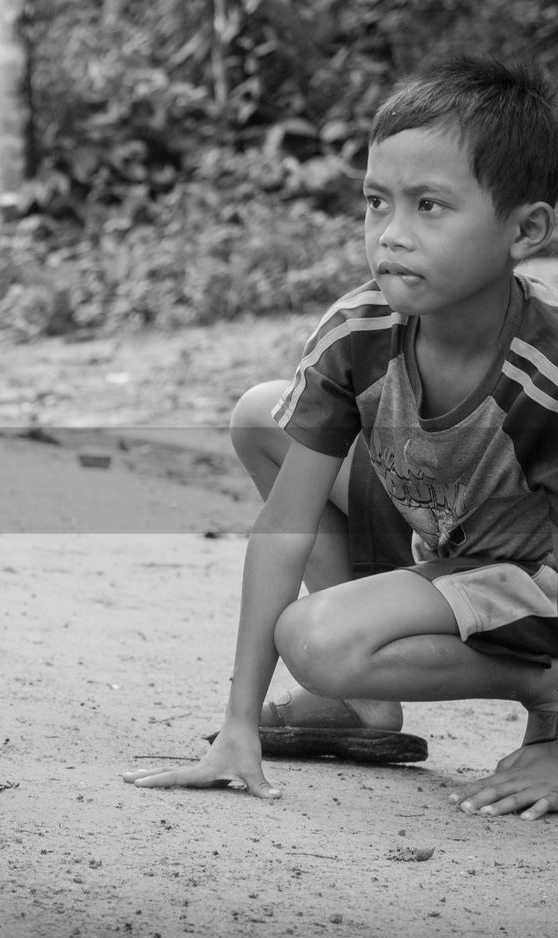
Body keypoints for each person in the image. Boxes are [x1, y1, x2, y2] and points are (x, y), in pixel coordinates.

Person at [123, 55, 558, 820]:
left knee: (315, 639)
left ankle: (545, 687)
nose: (390, 236)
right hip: (450, 543)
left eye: (430, 206)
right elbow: (282, 528)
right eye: (376, 203)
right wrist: (236, 728)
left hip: (537, 579)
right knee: (263, 415)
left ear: (526, 230)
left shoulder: (542, 372)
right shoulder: (362, 330)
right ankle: (364, 703)